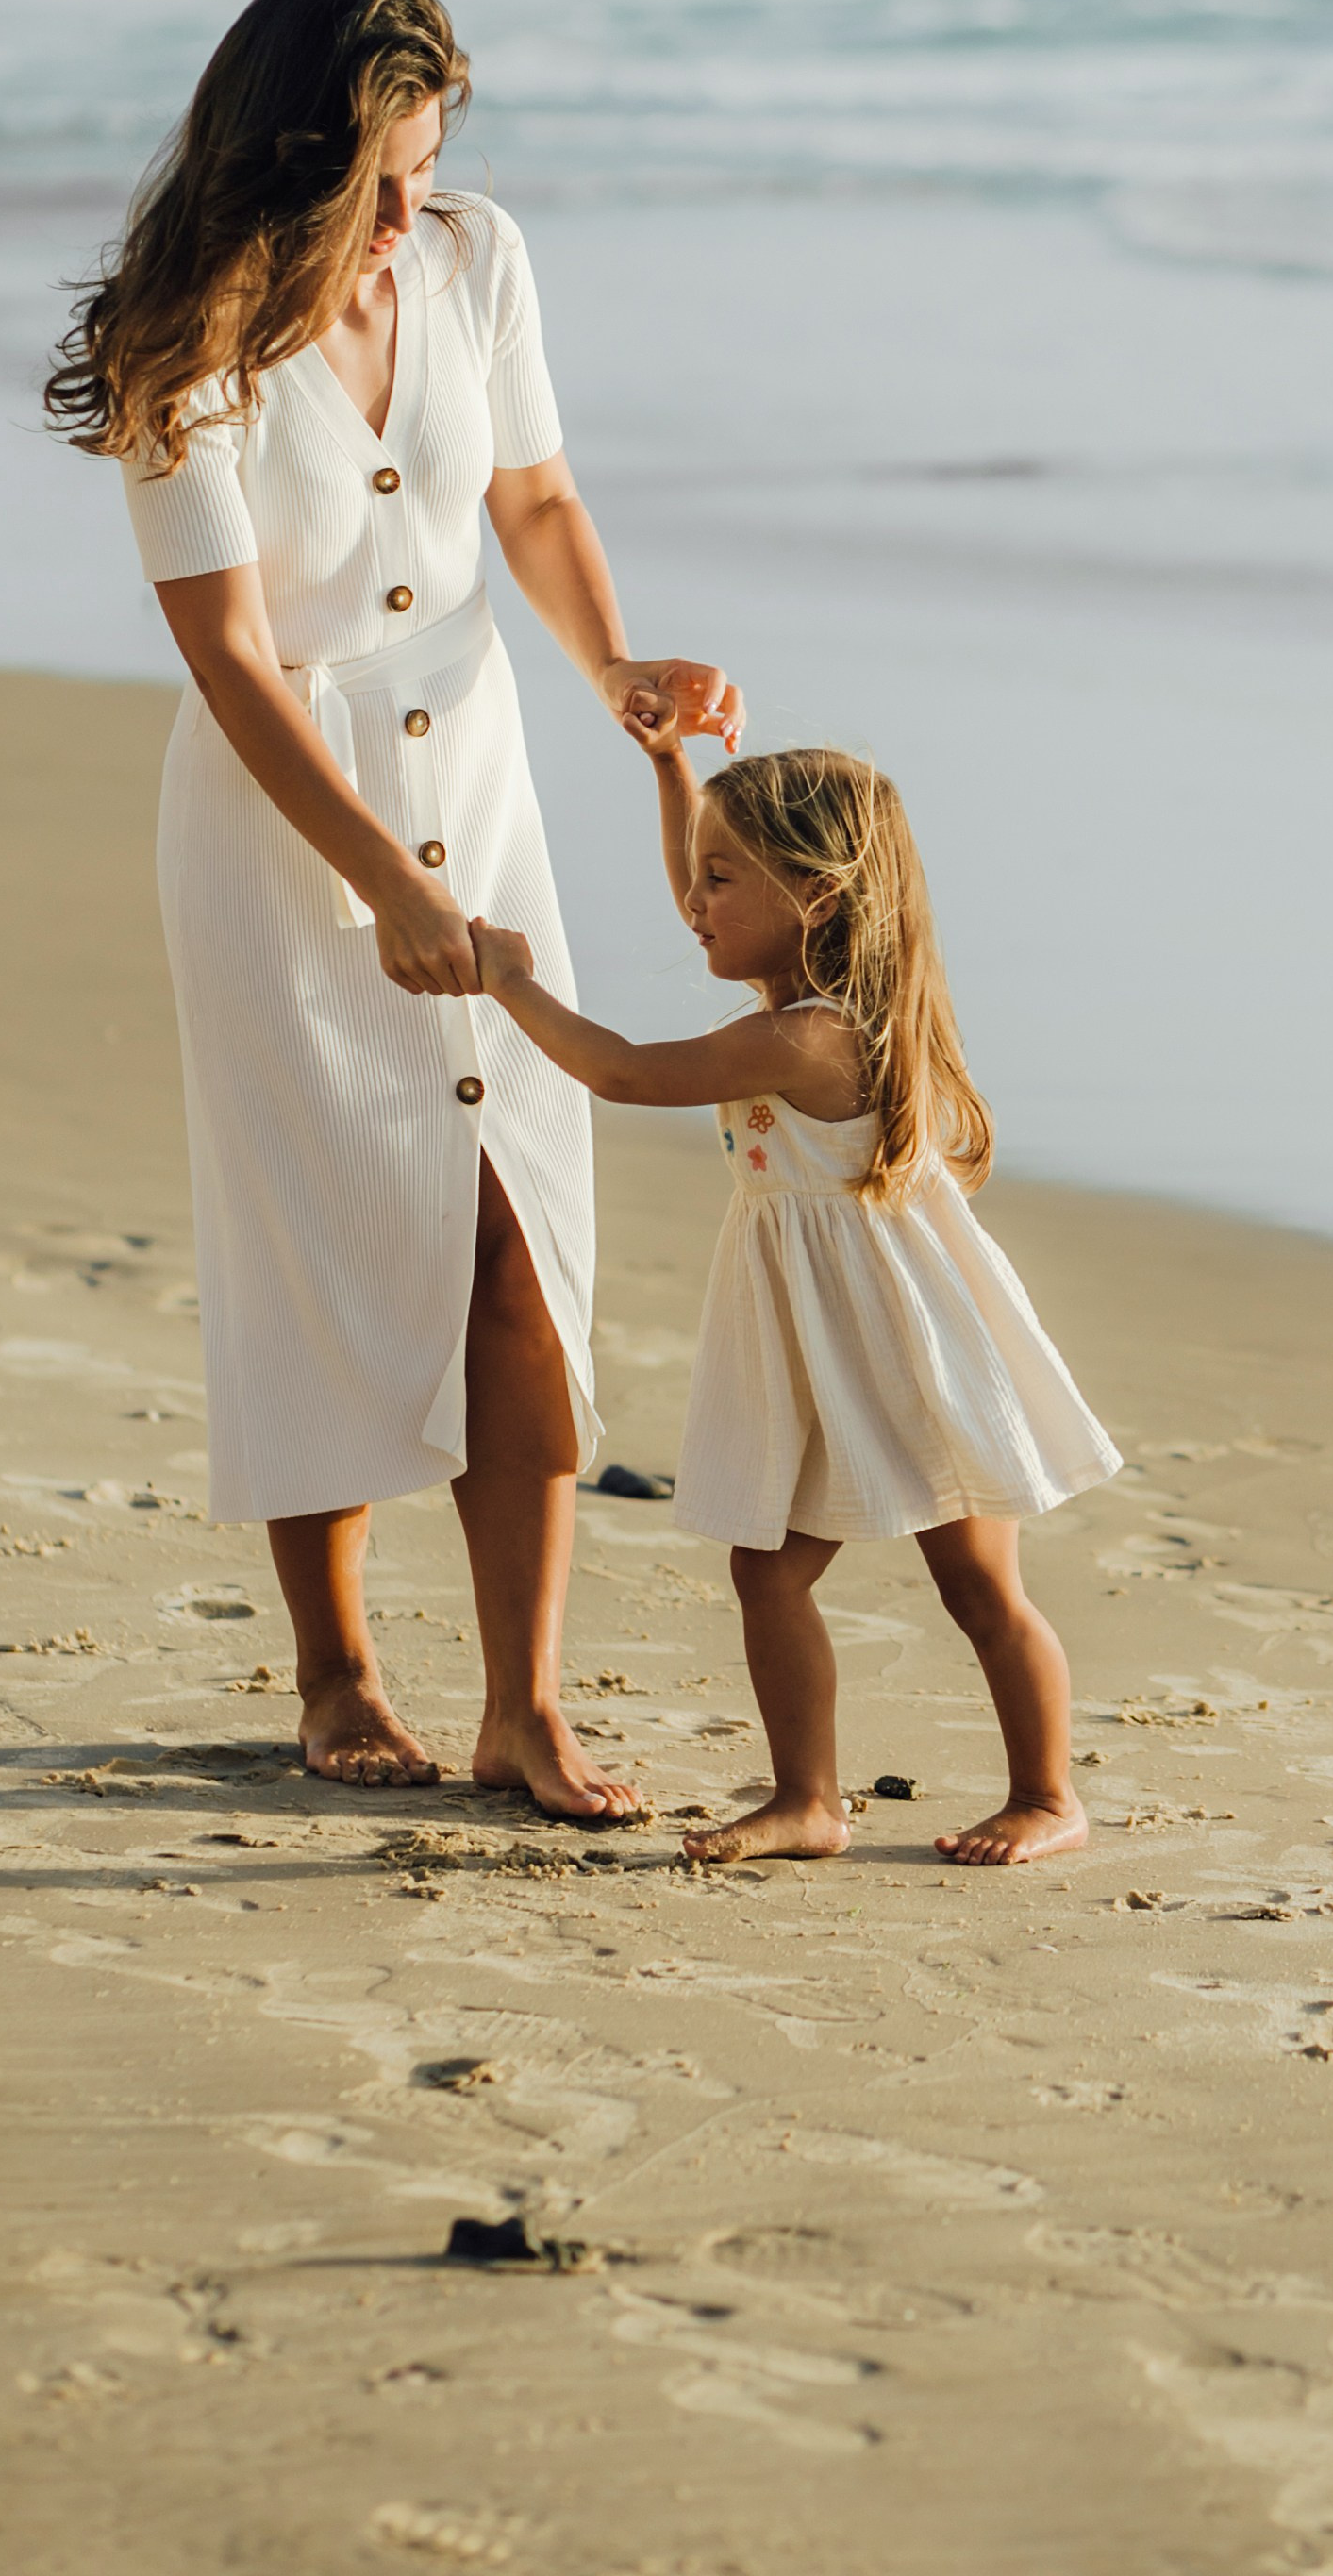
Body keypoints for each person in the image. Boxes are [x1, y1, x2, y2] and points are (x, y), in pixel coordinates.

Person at [45, 0, 741, 1815]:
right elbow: (232, 657)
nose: (413, 209)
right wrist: (379, 883)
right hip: (287, 827)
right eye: (384, 178)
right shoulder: (182, 341)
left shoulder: (475, 260)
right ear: (296, 160)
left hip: (481, 774)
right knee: (322, 1229)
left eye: (431, 167)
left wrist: (614, 673)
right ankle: (338, 1667)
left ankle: (523, 1704)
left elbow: (533, 500)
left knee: (518, 1223)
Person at [469, 736, 1122, 1866]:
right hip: (815, 1341)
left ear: (814, 895)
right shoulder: (798, 1003)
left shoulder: (806, 1036)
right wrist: (669, 765)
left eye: (721, 880)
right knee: (766, 1570)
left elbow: (623, 1072)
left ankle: (1048, 1793)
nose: (691, 903)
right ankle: (808, 1799)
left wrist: (509, 982)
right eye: (699, 871)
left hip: (907, 1338)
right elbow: (696, 876)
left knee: (978, 1581)